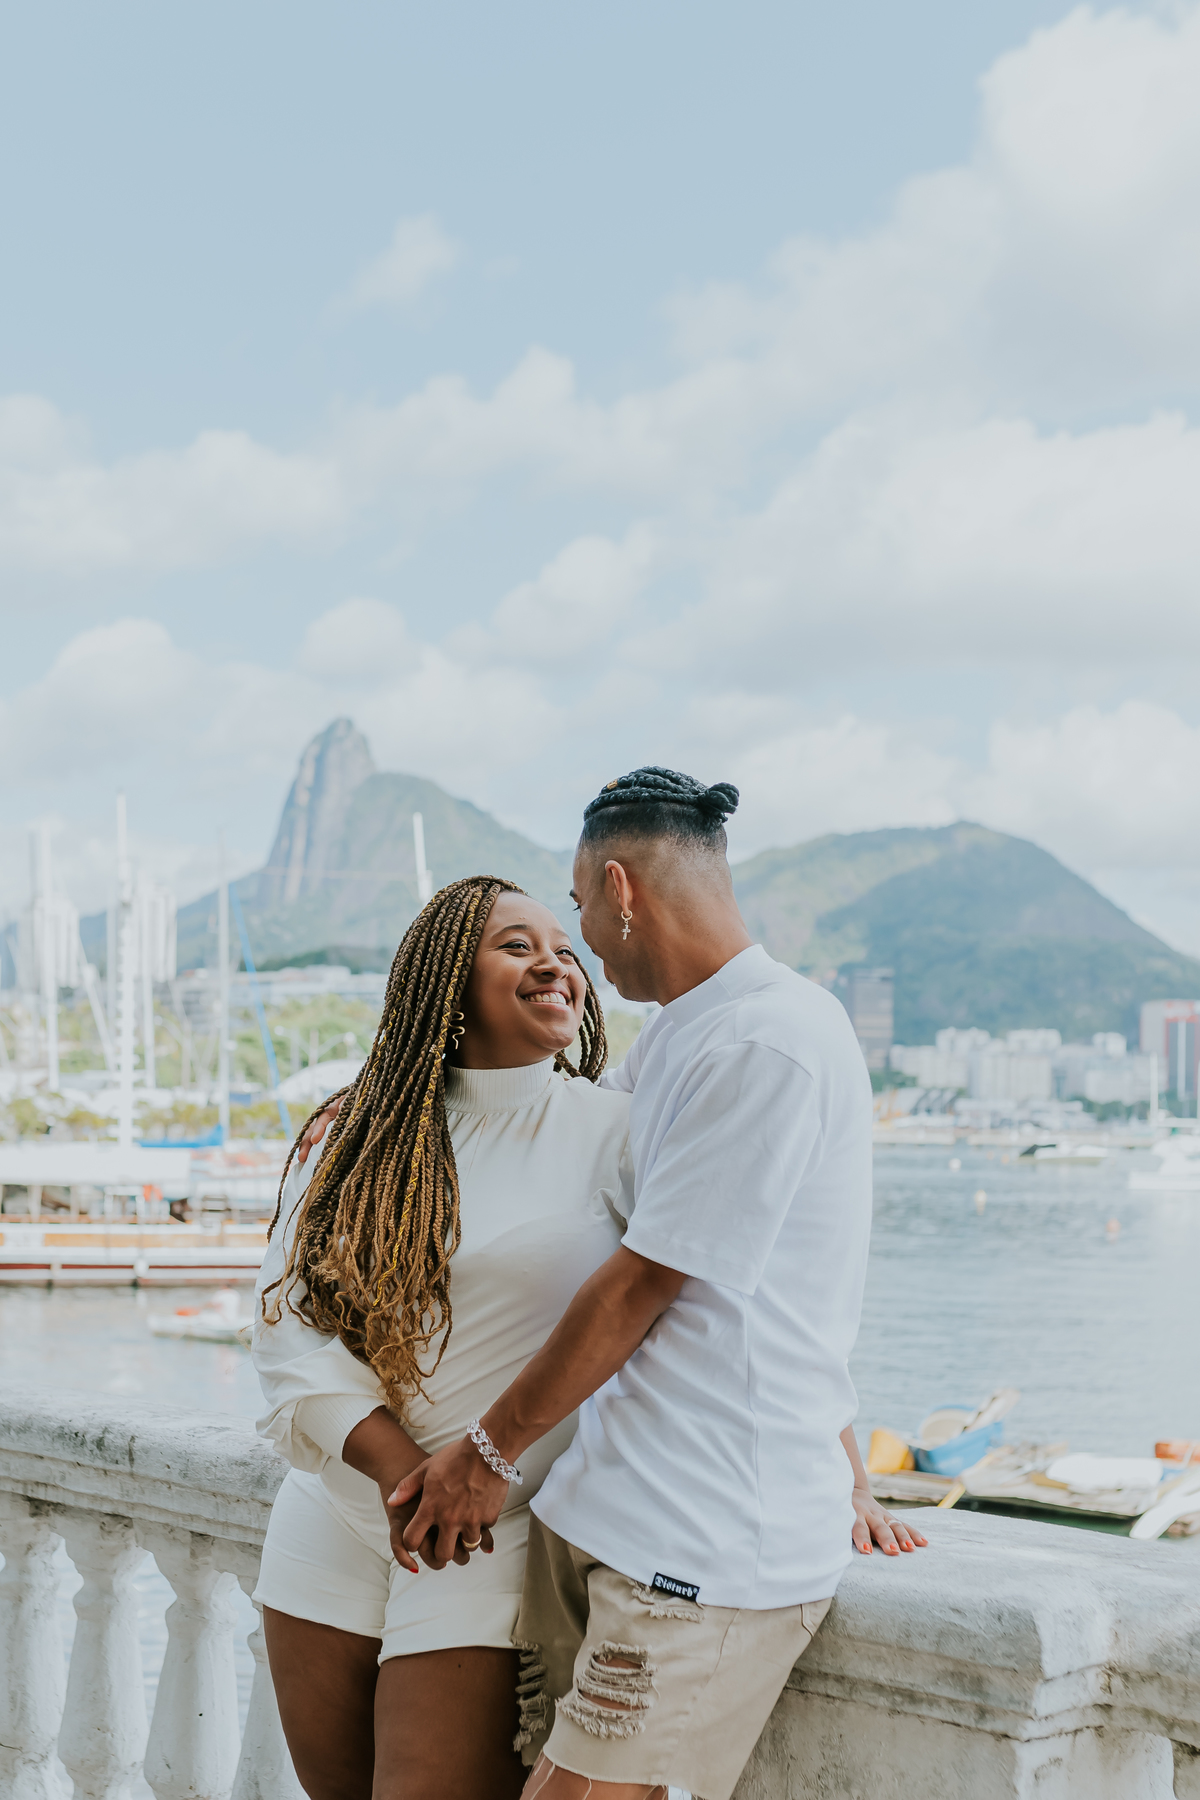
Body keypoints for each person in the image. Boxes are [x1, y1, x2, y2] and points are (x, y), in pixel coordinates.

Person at [392, 767, 925, 1800]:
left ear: (620, 888)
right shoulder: (680, 1033)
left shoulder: (771, 1041)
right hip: (602, 1517)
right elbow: (763, 1287)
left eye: (581, 908)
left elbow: (643, 1285)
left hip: (697, 1544)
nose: (582, 941)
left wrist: (488, 1454)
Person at [251, 875, 635, 1800]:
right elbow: (286, 1319)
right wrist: (402, 1476)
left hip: (492, 1531)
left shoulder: (620, 1134)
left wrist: (841, 1470)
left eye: (564, 949)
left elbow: (711, 1307)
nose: (554, 964)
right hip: (340, 1512)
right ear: (446, 979)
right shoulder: (357, 1131)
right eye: (517, 945)